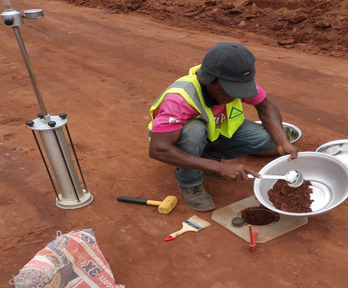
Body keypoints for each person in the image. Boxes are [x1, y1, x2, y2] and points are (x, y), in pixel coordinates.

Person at [148, 42, 300, 212]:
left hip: (214, 134)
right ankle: (190, 183)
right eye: (231, 89)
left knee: (269, 139)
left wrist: (282, 142)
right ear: (208, 79)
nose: (237, 94)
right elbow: (158, 149)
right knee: (194, 130)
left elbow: (265, 106)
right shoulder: (179, 99)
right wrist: (221, 167)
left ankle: (207, 157)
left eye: (241, 88)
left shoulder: (237, 80)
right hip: (178, 140)